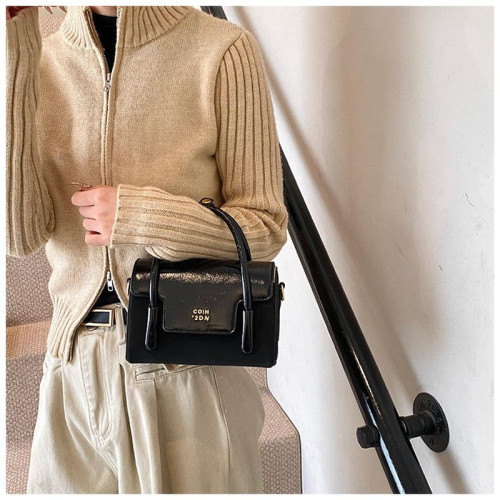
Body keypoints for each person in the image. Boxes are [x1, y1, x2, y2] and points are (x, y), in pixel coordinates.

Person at [6, 4, 288, 494]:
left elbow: (264, 228)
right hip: (71, 366)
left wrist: (141, 216)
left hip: (187, 361)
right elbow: (18, 237)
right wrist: (14, 50)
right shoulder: (38, 61)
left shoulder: (222, 50)